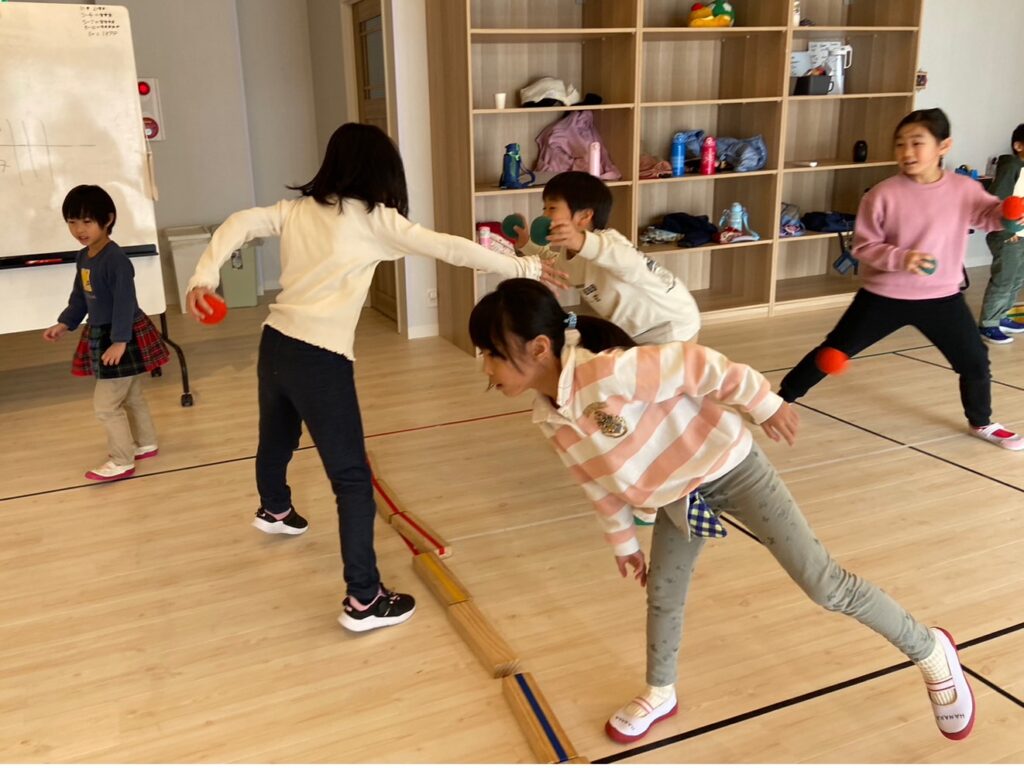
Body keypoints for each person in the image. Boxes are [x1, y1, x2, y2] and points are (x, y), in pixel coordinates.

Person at [469, 277, 975, 744]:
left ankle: (930, 650)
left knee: (824, 584)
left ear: (538, 348)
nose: (484, 367)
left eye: (490, 353)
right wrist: (623, 542)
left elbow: (701, 366)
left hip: (731, 469)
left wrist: (764, 403)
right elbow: (594, 479)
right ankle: (660, 691)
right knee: (663, 594)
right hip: (677, 499)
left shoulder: (607, 372)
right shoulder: (548, 416)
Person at [185, 123, 566, 633]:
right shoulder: (375, 219)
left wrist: (203, 277)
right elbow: (452, 248)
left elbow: (239, 222)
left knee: (276, 436)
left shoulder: (296, 210)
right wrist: (527, 269)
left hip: (275, 343)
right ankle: (364, 599)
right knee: (351, 480)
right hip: (320, 357)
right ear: (382, 171)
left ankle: (274, 508)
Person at [778, 108, 1024, 450]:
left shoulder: (963, 189)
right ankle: (778, 401)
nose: (907, 152)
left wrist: (1008, 215)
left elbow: (987, 216)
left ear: (943, 146)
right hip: (883, 296)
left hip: (942, 298)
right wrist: (902, 258)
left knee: (975, 362)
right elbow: (864, 246)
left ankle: (981, 422)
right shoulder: (881, 194)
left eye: (917, 143)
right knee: (833, 352)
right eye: (900, 144)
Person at [43, 184, 169, 482]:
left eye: (87, 221)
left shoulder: (116, 261)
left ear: (108, 219)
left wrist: (120, 341)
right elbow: (80, 297)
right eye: (72, 222)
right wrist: (65, 323)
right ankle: (146, 443)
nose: (79, 229)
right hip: (104, 332)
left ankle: (122, 460)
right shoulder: (83, 257)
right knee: (132, 395)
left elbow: (125, 303)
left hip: (120, 335)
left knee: (106, 406)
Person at [512, 170, 701, 345]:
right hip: (635, 331)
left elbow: (628, 262)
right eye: (544, 208)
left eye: (552, 208)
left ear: (584, 217)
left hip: (670, 325)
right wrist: (526, 244)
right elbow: (554, 266)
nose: (544, 215)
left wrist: (579, 240)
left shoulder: (610, 242)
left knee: (650, 371)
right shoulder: (568, 253)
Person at [978, 122, 1024, 343]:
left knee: (1017, 278)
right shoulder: (1011, 166)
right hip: (1008, 235)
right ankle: (988, 324)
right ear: (1018, 146)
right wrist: (1007, 228)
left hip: (1021, 235)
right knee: (1004, 278)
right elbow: (998, 199)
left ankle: (1002, 316)